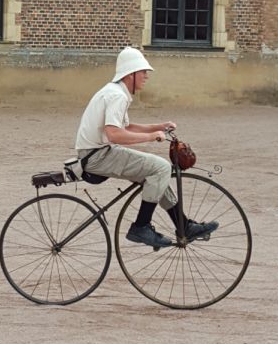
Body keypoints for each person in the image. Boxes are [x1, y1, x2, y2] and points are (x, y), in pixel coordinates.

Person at [75, 47, 218, 248]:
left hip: (97, 152)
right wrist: (151, 137)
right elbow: (114, 134)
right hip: (97, 156)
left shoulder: (115, 92)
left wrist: (158, 126)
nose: (146, 76)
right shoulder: (117, 96)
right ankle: (141, 227)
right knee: (160, 167)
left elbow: (125, 127)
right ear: (130, 74)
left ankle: (183, 225)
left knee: (156, 173)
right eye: (143, 71)